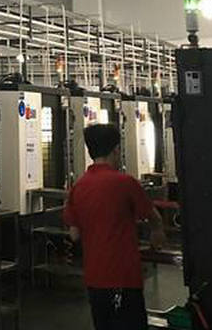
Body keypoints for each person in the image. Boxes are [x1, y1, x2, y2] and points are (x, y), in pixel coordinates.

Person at [63, 123, 166, 330]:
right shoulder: (125, 183)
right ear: (116, 150)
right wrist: (157, 232)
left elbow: (74, 234)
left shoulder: (78, 187)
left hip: (94, 279)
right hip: (124, 277)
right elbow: (153, 216)